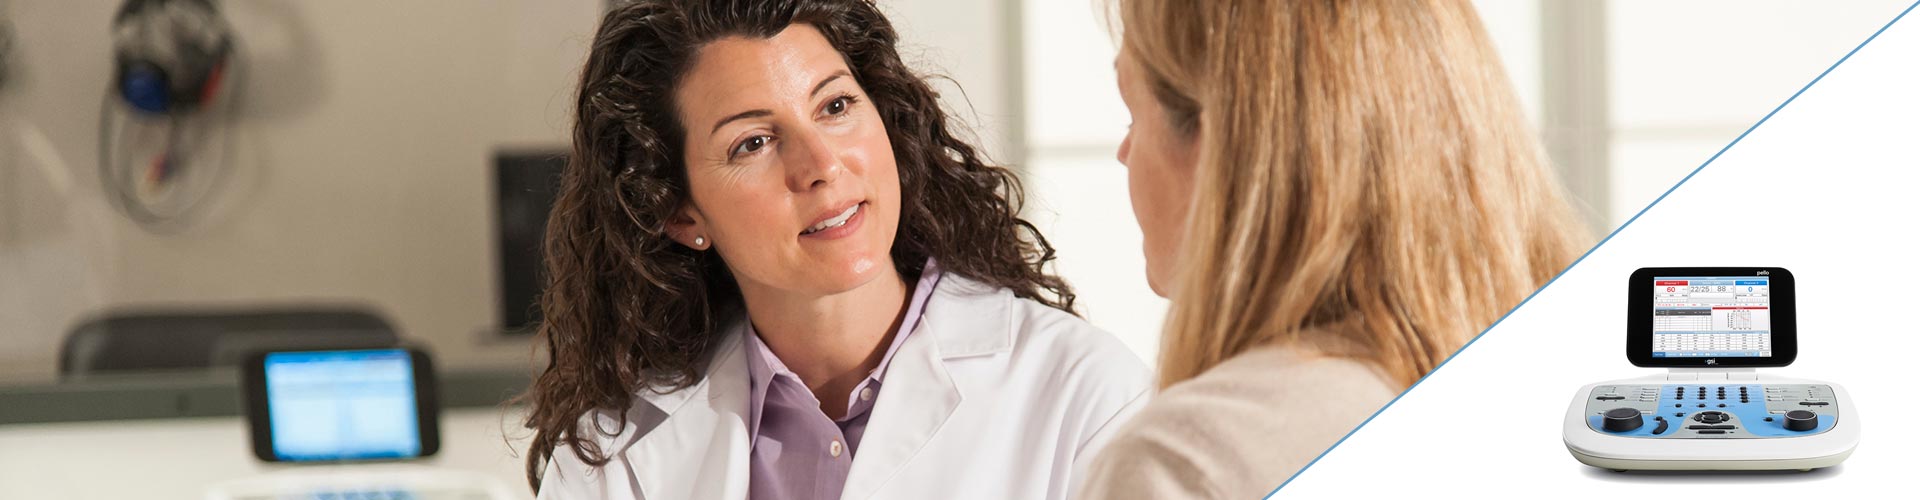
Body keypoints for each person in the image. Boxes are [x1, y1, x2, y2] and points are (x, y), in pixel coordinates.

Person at [518, 1, 1149, 499]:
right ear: (680, 213)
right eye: (753, 143)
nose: (821, 165)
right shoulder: (611, 451)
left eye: (836, 105)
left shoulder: (1084, 392)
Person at [1079, 0, 1592, 497]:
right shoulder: (1581, 396)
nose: (1124, 153)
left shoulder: (1189, 461)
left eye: (1132, 116)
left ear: (1223, 150)